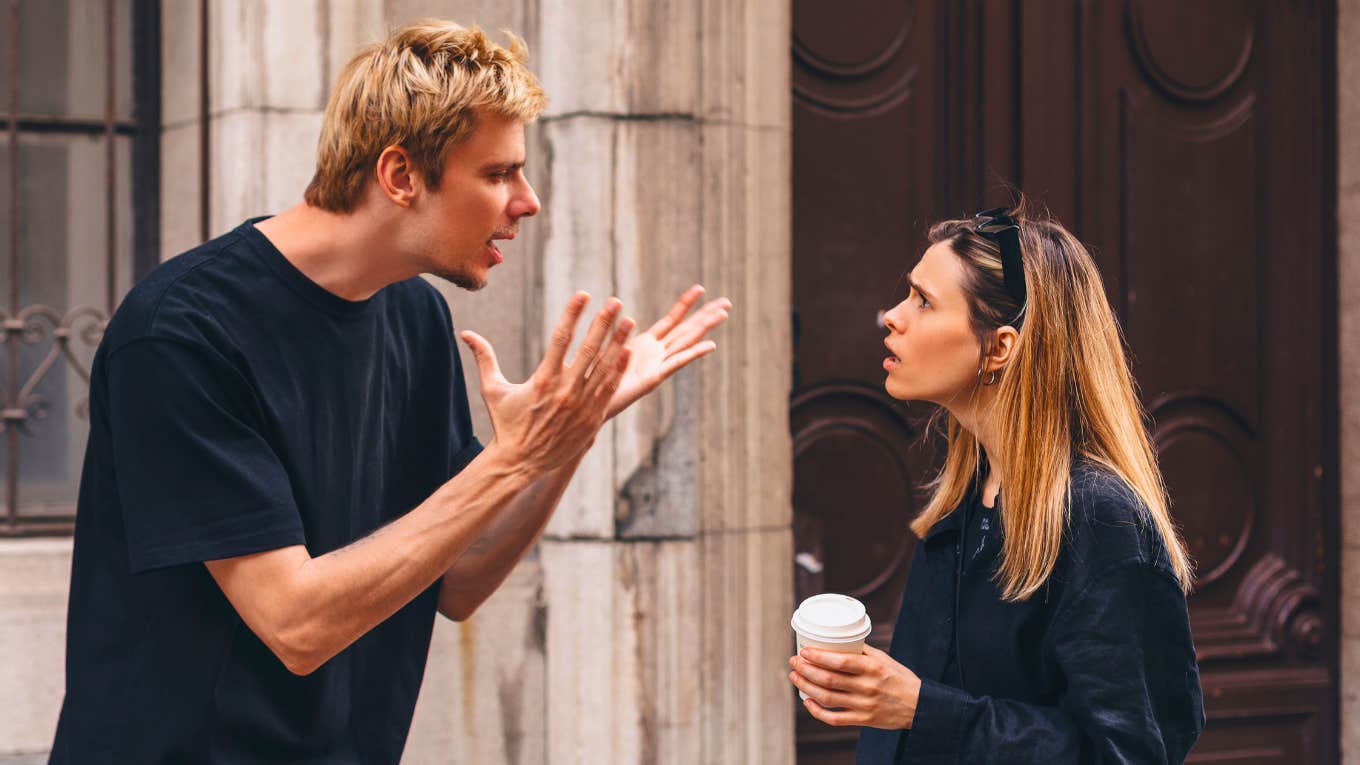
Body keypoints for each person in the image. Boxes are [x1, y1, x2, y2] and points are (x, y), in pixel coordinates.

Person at [50, 20, 729, 764]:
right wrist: (508, 460)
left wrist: (568, 431)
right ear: (401, 176)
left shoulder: (415, 313)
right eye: (499, 173)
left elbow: (459, 577)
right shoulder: (182, 332)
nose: (527, 202)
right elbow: (295, 624)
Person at [788, 200, 1205, 763]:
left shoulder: (1099, 517)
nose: (892, 315)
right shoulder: (968, 495)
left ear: (1000, 346)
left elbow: (1129, 753)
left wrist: (920, 709)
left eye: (924, 301)